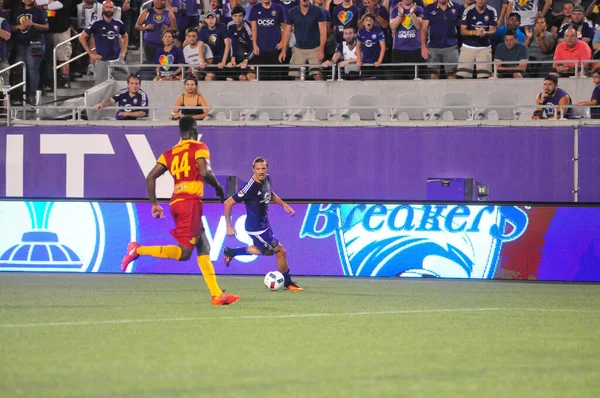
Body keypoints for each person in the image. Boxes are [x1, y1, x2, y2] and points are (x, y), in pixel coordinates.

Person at [121, 116, 240, 306]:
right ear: (195, 129)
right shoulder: (199, 147)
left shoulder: (169, 153)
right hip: (190, 203)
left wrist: (154, 204)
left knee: (204, 246)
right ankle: (138, 250)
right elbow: (204, 172)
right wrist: (218, 187)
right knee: (184, 253)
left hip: (177, 201)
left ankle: (217, 294)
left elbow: (150, 177)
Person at [223, 157, 304, 292]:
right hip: (256, 229)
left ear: (267, 169)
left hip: (264, 224)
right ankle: (288, 283)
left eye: (263, 168)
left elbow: (270, 194)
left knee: (266, 252)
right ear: (253, 170)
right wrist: (229, 226)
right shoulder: (250, 187)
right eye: (258, 169)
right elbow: (228, 202)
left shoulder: (267, 179)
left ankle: (231, 252)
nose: (261, 171)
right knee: (280, 251)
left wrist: (283, 205)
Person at [79, 0, 129, 86]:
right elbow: (82, 37)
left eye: (111, 7)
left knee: (127, 81)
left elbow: (125, 36)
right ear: (102, 8)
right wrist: (91, 53)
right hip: (102, 61)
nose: (109, 9)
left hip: (117, 60)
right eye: (107, 7)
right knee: (100, 87)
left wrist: (124, 51)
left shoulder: (118, 23)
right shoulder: (96, 23)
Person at [11, 0, 49, 103]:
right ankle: (19, 96)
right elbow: (11, 27)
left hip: (35, 44)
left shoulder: (39, 11)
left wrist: (33, 24)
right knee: (18, 71)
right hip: (20, 45)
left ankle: (32, 96)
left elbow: (46, 27)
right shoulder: (16, 11)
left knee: (33, 70)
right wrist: (19, 27)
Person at [279, 0, 327, 80]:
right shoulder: (292, 12)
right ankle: (298, 93)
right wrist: (283, 50)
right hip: (298, 49)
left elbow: (323, 32)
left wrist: (321, 50)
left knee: (317, 75)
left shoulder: (318, 11)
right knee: (296, 76)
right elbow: (287, 32)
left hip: (315, 48)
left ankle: (320, 92)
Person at [421, 0, 463, 79]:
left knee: (452, 75)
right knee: (434, 75)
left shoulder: (457, 7)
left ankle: (452, 91)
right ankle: (434, 92)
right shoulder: (429, 8)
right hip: (433, 47)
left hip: (451, 46)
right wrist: (423, 46)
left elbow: (464, 24)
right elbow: (424, 29)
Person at [456, 0, 497, 79]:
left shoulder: (492, 11)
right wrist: (473, 32)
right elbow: (462, 31)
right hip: (468, 47)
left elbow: (493, 30)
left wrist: (485, 33)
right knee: (465, 76)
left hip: (484, 47)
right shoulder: (468, 11)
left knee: (484, 77)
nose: (480, 1)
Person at [356, 13, 385, 78]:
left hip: (376, 62)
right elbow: (358, 46)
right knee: (364, 82)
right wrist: (359, 60)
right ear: (363, 23)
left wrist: (379, 61)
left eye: (370, 20)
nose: (368, 22)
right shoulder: (360, 32)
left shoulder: (379, 31)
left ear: (373, 22)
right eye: (366, 20)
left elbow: (383, 47)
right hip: (365, 63)